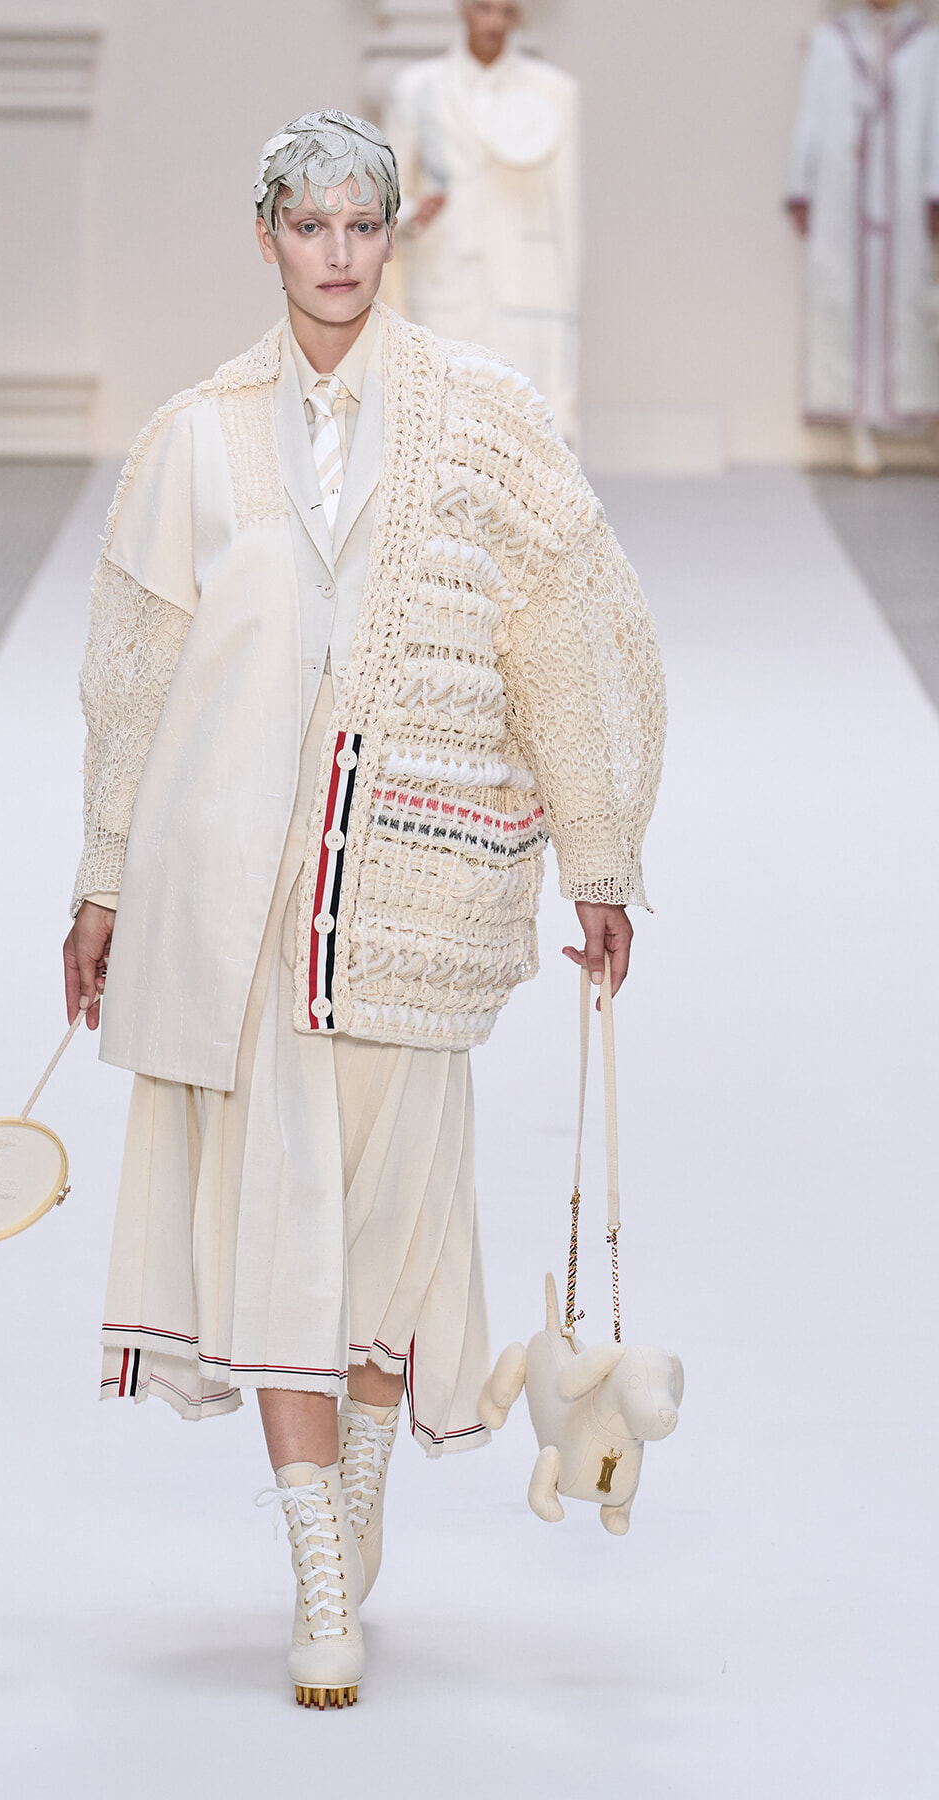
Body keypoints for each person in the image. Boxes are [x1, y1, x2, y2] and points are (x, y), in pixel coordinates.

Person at [63, 111, 664, 1710]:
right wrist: (103, 879)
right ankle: (319, 1560)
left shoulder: (483, 424)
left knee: (392, 1241)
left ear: (393, 238)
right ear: (263, 236)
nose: (336, 255)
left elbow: (574, 628)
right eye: (308, 226)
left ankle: (365, 1471)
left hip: (410, 891)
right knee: (281, 1236)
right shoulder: (196, 436)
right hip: (240, 907)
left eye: (361, 226)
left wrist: (599, 853)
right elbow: (129, 683)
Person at [385, 0, 581, 442]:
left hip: (529, 280)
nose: (494, 22)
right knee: (446, 421)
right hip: (444, 274)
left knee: (524, 429)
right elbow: (388, 192)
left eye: (507, 11)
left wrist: (566, 295)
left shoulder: (554, 92)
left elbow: (566, 208)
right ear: (462, 8)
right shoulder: (416, 88)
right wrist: (415, 212)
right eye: (484, 8)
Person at [786, 0, 939, 475]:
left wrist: (936, 188)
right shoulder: (832, 40)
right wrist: (801, 184)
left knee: (909, 304)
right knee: (841, 301)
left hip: (903, 194)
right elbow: (811, 113)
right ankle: (856, 423)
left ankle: (914, 418)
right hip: (844, 192)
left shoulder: (926, 41)